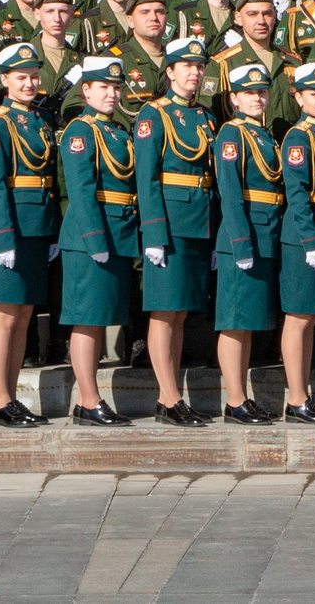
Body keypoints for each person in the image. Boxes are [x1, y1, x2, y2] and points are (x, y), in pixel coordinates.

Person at [135, 37, 219, 426]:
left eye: (199, 66)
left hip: (198, 220)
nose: (194, 73)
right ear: (169, 72)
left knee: (180, 313)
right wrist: (153, 233)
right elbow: (147, 178)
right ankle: (168, 397)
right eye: (186, 66)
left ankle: (172, 395)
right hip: (168, 220)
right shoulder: (154, 115)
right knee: (164, 312)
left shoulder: (204, 116)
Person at [0, 44, 58, 428]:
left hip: (37, 225)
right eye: (21, 77)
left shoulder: (40, 120)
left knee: (24, 316)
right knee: (5, 316)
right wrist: (5, 235)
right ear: (5, 80)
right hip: (9, 227)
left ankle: (11, 397)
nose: (29, 83)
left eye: (34, 77)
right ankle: (0, 398)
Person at [57, 57, 137, 427]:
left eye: (116, 87)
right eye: (103, 87)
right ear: (86, 90)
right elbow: (82, 189)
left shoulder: (118, 130)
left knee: (101, 316)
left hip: (119, 230)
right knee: (87, 320)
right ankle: (88, 401)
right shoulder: (80, 131)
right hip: (93, 233)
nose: (111, 93)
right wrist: (93, 238)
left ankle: (90, 401)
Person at [213, 62, 287, 425]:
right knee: (235, 320)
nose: (257, 98)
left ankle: (242, 398)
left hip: (266, 231)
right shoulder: (232, 134)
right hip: (244, 235)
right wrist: (241, 243)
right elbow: (230, 191)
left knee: (248, 319)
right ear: (234, 98)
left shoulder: (264, 135)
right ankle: (236, 399)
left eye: (262, 92)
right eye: (249, 92)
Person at [274, 61, 315, 423]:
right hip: (305, 232)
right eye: (314, 94)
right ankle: (296, 397)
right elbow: (297, 192)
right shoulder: (299, 137)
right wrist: (310, 239)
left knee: (310, 317)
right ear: (298, 97)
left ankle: (303, 394)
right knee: (298, 316)